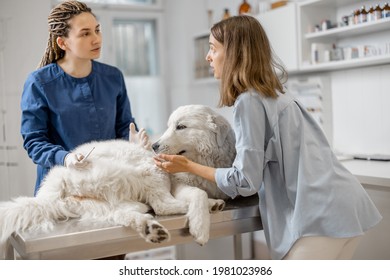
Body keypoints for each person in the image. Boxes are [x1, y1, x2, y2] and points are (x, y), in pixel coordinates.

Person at [154, 15, 382, 260]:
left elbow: (244, 180)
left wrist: (188, 166)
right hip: (346, 204)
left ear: (234, 54)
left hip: (321, 217)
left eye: (213, 49)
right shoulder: (274, 94)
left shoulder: (249, 102)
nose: (208, 57)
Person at [21, 0, 145, 197]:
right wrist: (65, 158)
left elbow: (124, 127)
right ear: (62, 42)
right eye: (85, 33)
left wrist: (135, 142)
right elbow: (34, 141)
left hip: (109, 183)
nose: (96, 39)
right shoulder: (39, 82)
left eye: (97, 30)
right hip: (61, 187)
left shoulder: (113, 77)